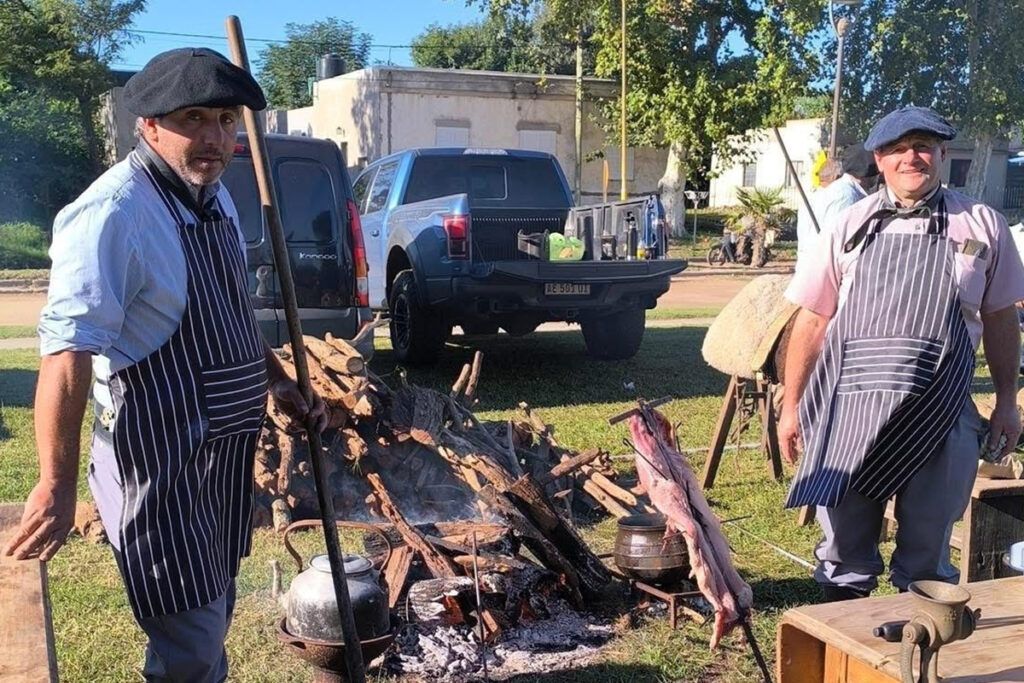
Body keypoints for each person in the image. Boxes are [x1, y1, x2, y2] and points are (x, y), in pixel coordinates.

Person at [2, 48, 328, 681]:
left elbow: (231, 314)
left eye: (227, 120)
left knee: (213, 614)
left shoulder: (215, 200)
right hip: (159, 470)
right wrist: (55, 483)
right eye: (194, 118)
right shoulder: (112, 215)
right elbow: (66, 352)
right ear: (148, 124)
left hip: (223, 463)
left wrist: (279, 381)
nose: (215, 137)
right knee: (192, 647)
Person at [777, 106, 1024, 601]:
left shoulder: (982, 224)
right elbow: (813, 319)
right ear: (880, 158)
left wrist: (1005, 400)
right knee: (844, 559)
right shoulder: (848, 225)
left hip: (941, 413)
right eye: (899, 148)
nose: (913, 157)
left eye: (924, 146)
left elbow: (999, 317)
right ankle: (842, 663)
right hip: (849, 413)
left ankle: (916, 666)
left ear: (941, 155)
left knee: (927, 563)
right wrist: (792, 405)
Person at [795, 145, 879, 271]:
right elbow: (837, 242)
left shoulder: (828, 192)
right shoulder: (848, 196)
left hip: (810, 268)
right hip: (824, 272)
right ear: (870, 174)